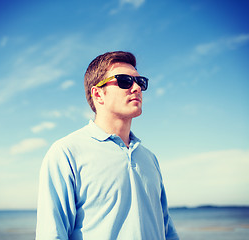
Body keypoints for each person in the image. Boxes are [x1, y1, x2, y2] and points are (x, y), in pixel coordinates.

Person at [35, 51, 179, 240]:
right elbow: (52, 234)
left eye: (140, 82)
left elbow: (166, 229)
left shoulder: (149, 158)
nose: (136, 88)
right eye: (124, 81)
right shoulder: (66, 153)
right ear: (98, 94)